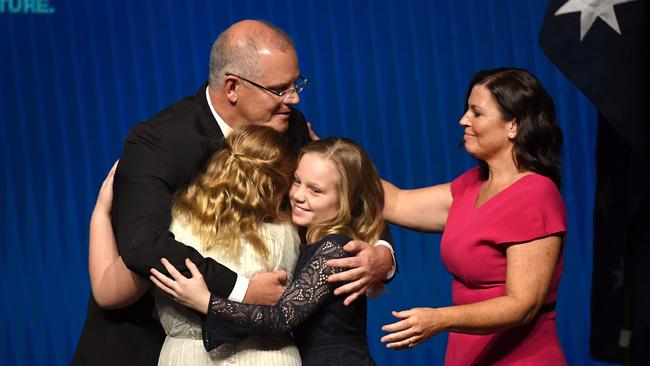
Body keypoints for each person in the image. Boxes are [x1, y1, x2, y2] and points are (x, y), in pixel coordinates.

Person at [73, 19, 395, 366]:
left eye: (296, 84)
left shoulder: (291, 126)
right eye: (280, 89)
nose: (295, 98)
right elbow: (143, 247)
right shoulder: (158, 142)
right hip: (157, 345)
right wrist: (242, 290)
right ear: (232, 87)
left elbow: (347, 192)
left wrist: (381, 253)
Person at [380, 68, 567, 365]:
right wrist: (327, 158)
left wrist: (439, 319)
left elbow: (523, 305)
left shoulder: (534, 195)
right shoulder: (472, 185)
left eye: (477, 113)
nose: (463, 120)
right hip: (466, 353)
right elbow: (396, 202)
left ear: (513, 126)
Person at [150, 137, 385, 365]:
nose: (298, 196)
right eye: (296, 181)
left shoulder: (334, 249)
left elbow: (281, 318)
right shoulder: (312, 242)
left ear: (347, 198)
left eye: (316, 190)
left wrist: (204, 301)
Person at [90, 126, 303, 365]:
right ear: (278, 184)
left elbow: (108, 293)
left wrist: (100, 212)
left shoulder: (169, 232)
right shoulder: (288, 233)